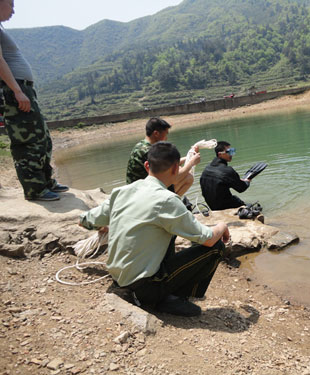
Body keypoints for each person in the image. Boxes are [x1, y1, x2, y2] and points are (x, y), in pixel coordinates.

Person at [80, 142, 230, 317]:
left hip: (118, 278)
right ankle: (173, 298)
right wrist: (222, 226)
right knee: (216, 248)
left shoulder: (122, 191)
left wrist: (111, 225)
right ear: (176, 168)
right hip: (143, 287)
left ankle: (163, 293)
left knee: (170, 231)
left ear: (146, 166)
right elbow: (209, 238)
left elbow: (84, 221)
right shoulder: (167, 200)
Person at [0, 0, 68, 201]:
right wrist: (17, 91)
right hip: (15, 91)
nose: (13, 10)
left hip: (23, 89)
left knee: (42, 138)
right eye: (10, 4)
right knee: (28, 141)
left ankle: (46, 182)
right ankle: (34, 190)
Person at [126, 117, 200, 196]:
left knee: (181, 171)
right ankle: (171, 202)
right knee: (188, 178)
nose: (166, 138)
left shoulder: (141, 145)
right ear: (156, 134)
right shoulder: (149, 151)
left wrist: (189, 156)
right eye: (165, 134)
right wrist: (191, 162)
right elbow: (173, 177)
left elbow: (168, 163)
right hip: (143, 193)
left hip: (138, 189)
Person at [200, 141, 250, 210]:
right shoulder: (227, 170)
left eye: (232, 151)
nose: (231, 154)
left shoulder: (207, 168)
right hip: (224, 206)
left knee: (235, 198)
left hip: (212, 206)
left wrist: (237, 180)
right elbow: (241, 188)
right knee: (251, 207)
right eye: (229, 152)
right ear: (220, 154)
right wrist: (247, 181)